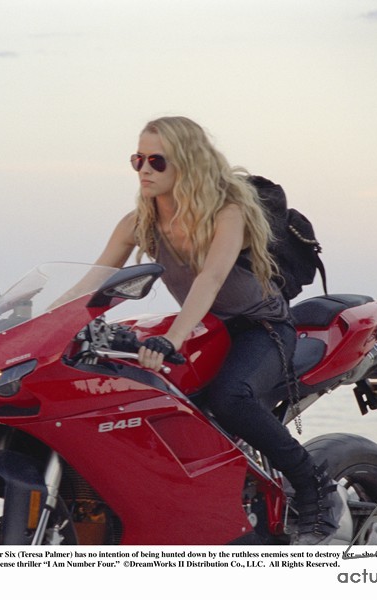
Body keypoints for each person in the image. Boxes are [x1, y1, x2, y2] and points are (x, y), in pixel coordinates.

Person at [93, 116, 343, 544]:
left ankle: (314, 486)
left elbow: (210, 279)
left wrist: (171, 338)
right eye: (138, 159)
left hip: (261, 328)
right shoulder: (139, 221)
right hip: (206, 329)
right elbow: (96, 281)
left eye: (157, 161)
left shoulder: (228, 213)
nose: (144, 170)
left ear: (188, 162)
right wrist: (33, 324)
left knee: (230, 398)